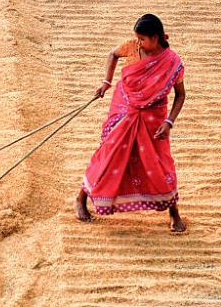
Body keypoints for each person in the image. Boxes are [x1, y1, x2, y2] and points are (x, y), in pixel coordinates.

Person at [76, 14, 188, 232]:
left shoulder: (172, 63)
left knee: (160, 162)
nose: (139, 42)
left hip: (154, 120)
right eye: (137, 38)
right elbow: (113, 54)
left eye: (143, 39)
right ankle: (81, 198)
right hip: (124, 109)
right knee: (109, 154)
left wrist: (169, 122)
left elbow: (181, 95)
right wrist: (106, 83)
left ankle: (174, 213)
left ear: (156, 38)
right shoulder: (132, 47)